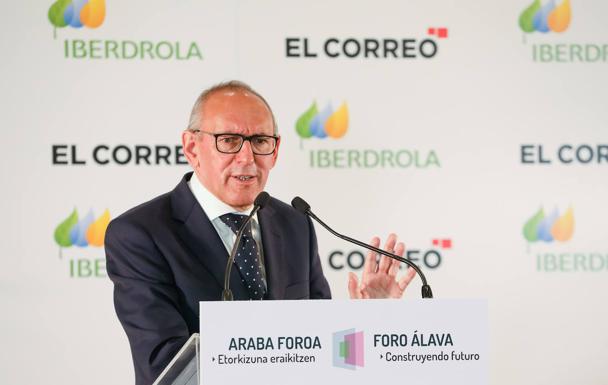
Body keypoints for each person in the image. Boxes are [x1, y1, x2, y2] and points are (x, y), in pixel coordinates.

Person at [105, 81, 417, 385]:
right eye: (228, 141)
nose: (247, 158)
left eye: (260, 141)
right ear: (191, 147)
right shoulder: (140, 234)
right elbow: (166, 367)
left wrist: (372, 321)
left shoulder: (295, 223)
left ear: (276, 150)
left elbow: (323, 348)